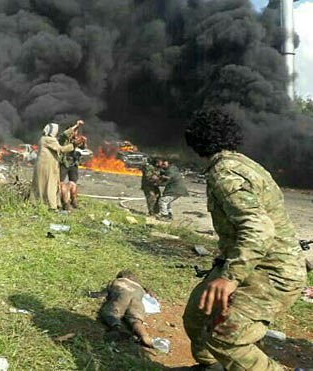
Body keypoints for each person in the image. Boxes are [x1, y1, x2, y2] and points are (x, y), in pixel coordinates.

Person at [182, 108, 306, 371]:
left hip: (274, 272)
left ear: (194, 142)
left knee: (225, 337)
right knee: (197, 316)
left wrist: (230, 277)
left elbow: (258, 228)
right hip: (250, 262)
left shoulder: (225, 174)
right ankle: (213, 367)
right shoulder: (241, 164)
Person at [99, 270, 153, 348]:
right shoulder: (140, 287)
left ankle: (117, 327)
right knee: (136, 319)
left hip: (122, 296)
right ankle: (145, 337)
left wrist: (91, 294)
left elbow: (104, 293)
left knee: (111, 312)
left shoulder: (118, 281)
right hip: (136, 301)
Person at [30, 123, 77, 210]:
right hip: (47, 166)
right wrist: (74, 145)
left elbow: (64, 134)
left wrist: (76, 126)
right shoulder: (49, 139)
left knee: (45, 185)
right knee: (50, 185)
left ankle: (39, 203)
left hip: (47, 165)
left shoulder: (44, 138)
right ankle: (51, 206)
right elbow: (61, 149)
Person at [58, 119, 86, 210]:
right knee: (61, 183)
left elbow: (82, 147)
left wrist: (83, 141)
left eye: (76, 132)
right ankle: (64, 203)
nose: (75, 133)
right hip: (64, 162)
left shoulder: (74, 139)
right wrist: (76, 125)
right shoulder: (63, 139)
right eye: (74, 131)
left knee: (73, 183)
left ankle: (74, 201)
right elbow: (65, 134)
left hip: (73, 162)